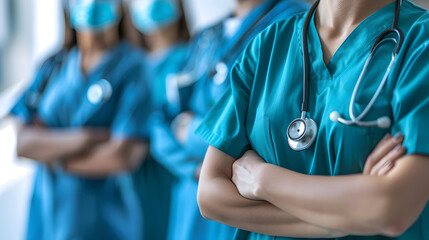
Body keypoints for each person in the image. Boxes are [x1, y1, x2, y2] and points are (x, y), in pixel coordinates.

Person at [196, 0, 429, 239]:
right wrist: (351, 215)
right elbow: (210, 195)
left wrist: (263, 179)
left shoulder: (421, 41)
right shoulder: (269, 44)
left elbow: (393, 207)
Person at [149, 0, 309, 239]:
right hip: (190, 206)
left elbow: (263, 137)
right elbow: (160, 124)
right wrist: (195, 168)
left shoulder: (294, 24)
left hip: (237, 209)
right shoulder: (207, 36)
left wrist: (190, 131)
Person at [11, 0, 154, 239]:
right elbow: (24, 145)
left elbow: (122, 156)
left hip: (103, 224)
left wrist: (52, 154)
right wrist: (89, 137)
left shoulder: (135, 68)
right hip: (46, 221)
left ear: (120, 6)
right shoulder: (52, 66)